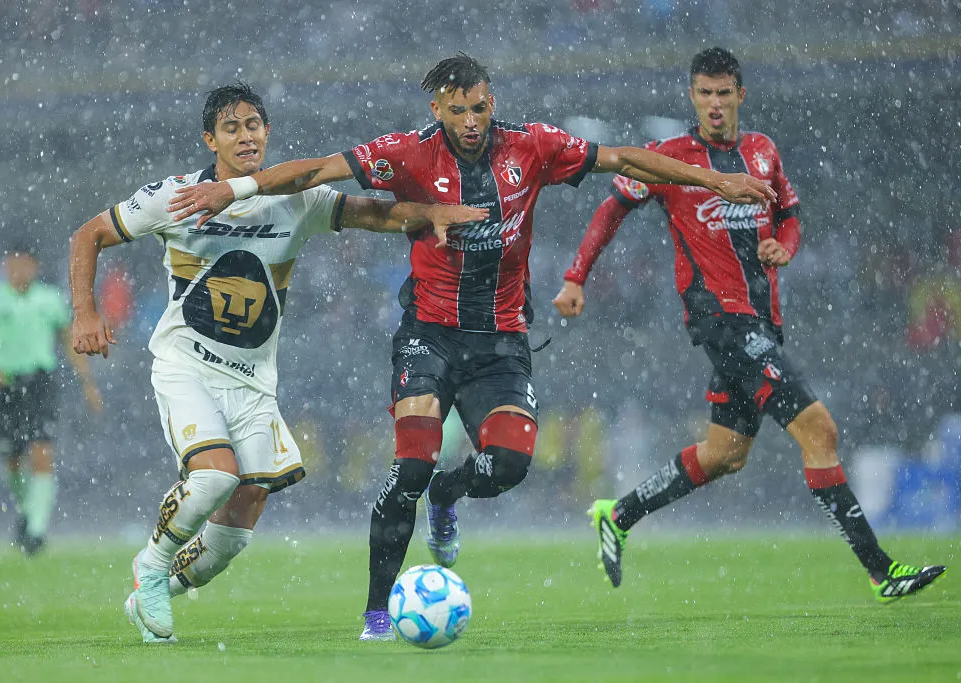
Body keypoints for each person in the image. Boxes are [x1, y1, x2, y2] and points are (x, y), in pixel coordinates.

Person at [165, 52, 776, 641]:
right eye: (458, 111)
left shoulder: (532, 145)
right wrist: (237, 189)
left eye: (480, 107)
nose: (471, 121)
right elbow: (318, 170)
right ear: (438, 108)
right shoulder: (410, 151)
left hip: (501, 340)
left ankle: (449, 495)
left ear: (493, 102)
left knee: (509, 466)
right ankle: (377, 615)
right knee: (409, 469)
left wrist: (713, 178)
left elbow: (622, 158)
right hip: (427, 335)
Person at [68, 81, 487, 644]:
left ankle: (161, 586)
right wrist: (86, 313)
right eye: (231, 127)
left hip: (253, 382)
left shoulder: (296, 198)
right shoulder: (176, 196)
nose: (245, 137)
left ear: (267, 132)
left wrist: (428, 212)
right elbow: (88, 235)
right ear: (209, 138)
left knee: (236, 531)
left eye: (253, 126)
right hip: (185, 364)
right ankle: (151, 563)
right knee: (214, 475)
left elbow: (373, 213)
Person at [553, 47, 946, 603]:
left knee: (725, 454)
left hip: (762, 319)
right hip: (720, 319)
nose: (714, 104)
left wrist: (783, 248)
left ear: (741, 95)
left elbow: (787, 217)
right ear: (692, 96)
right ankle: (883, 571)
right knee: (821, 430)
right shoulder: (671, 159)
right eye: (704, 93)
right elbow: (612, 206)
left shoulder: (762, 152)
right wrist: (575, 277)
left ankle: (619, 514)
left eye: (724, 93)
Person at [0, 245, 103, 555]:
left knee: (41, 451)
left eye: (24, 264)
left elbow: (69, 340)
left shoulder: (49, 300)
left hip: (39, 383)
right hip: (5, 385)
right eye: (12, 264)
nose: (18, 270)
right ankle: (27, 512)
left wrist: (87, 382)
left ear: (35, 267)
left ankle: (35, 532)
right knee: (12, 459)